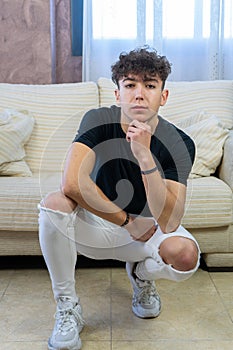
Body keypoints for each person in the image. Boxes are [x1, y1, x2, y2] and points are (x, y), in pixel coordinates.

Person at [39, 46, 200, 350]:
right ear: (117, 94)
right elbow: (72, 184)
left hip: (149, 229)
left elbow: (168, 219)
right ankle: (67, 307)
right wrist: (127, 222)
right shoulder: (97, 119)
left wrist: (144, 155)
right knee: (53, 204)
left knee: (186, 257)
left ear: (163, 96)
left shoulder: (180, 142)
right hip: (99, 225)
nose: (139, 94)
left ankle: (141, 275)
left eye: (150, 85)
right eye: (130, 85)